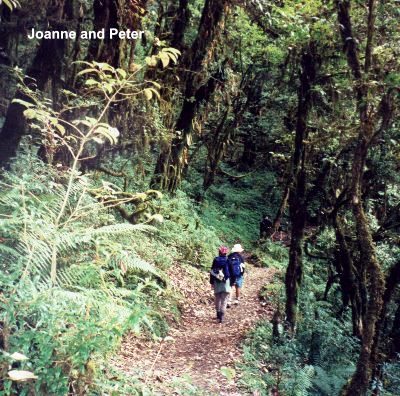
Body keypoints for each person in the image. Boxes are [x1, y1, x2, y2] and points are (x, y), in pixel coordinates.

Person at [210, 246, 231, 323]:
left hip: (216, 281)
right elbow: (231, 272)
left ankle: (218, 314)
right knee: (224, 299)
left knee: (217, 298)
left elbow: (212, 271)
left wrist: (211, 282)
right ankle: (222, 316)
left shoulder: (215, 260)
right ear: (225, 253)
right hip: (226, 281)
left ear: (219, 252)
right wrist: (232, 282)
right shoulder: (228, 260)